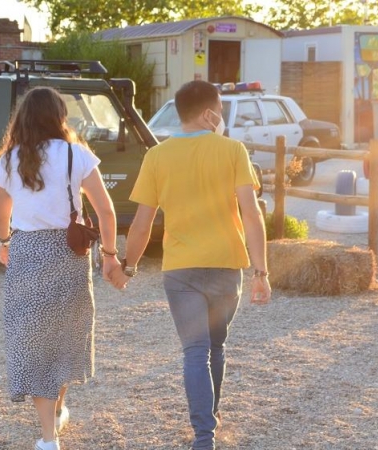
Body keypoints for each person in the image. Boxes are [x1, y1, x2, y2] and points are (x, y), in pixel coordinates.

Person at [120, 80, 271, 450]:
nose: (221, 117)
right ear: (209, 113)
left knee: (195, 351)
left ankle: (204, 437)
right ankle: (209, 422)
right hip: (226, 266)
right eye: (219, 110)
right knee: (215, 348)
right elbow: (251, 215)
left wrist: (128, 268)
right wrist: (261, 272)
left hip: (181, 271)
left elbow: (142, 223)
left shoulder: (157, 156)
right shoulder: (233, 150)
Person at [0, 87, 127, 450]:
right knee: (66, 336)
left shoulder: (9, 159)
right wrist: (110, 254)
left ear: (22, 118)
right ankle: (54, 418)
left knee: (34, 340)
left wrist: (4, 243)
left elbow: (0, 214)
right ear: (59, 116)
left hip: (25, 252)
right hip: (69, 254)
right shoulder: (76, 155)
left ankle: (49, 436)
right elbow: (106, 210)